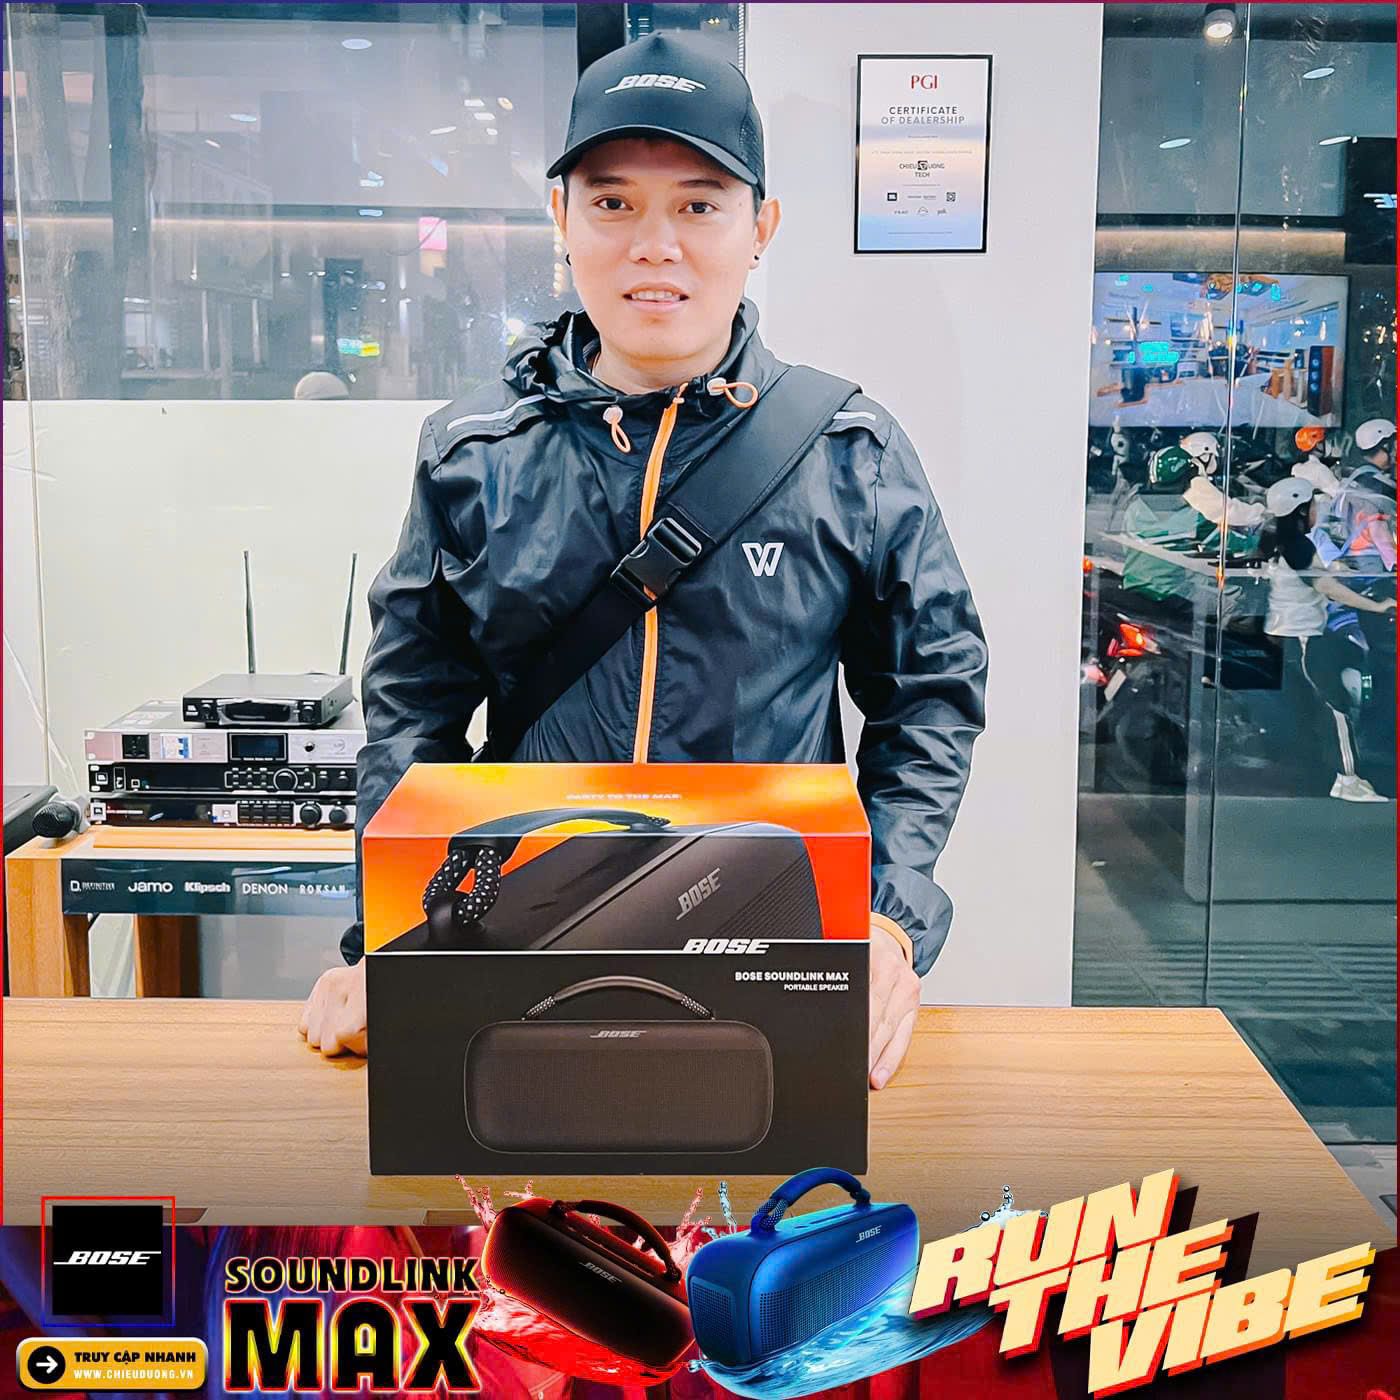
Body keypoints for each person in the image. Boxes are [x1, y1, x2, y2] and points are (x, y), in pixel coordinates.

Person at [300, 34, 989, 1086]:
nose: (654, 245)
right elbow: (411, 717)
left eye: (699, 205)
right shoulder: (473, 453)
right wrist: (387, 941)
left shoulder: (848, 452)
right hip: (520, 943)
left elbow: (930, 693)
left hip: (769, 942)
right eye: (613, 203)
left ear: (759, 229)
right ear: (561, 218)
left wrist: (886, 920)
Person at [1262, 477, 1395, 802]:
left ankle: (1315, 773)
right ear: (1300, 509)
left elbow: (1314, 574)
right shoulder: (1298, 546)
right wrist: (1377, 606)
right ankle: (1348, 780)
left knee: (1305, 707)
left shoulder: (1275, 539)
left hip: (1282, 634)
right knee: (1336, 707)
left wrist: (1335, 567)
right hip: (1303, 635)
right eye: (1312, 505)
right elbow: (1328, 589)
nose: (1316, 511)